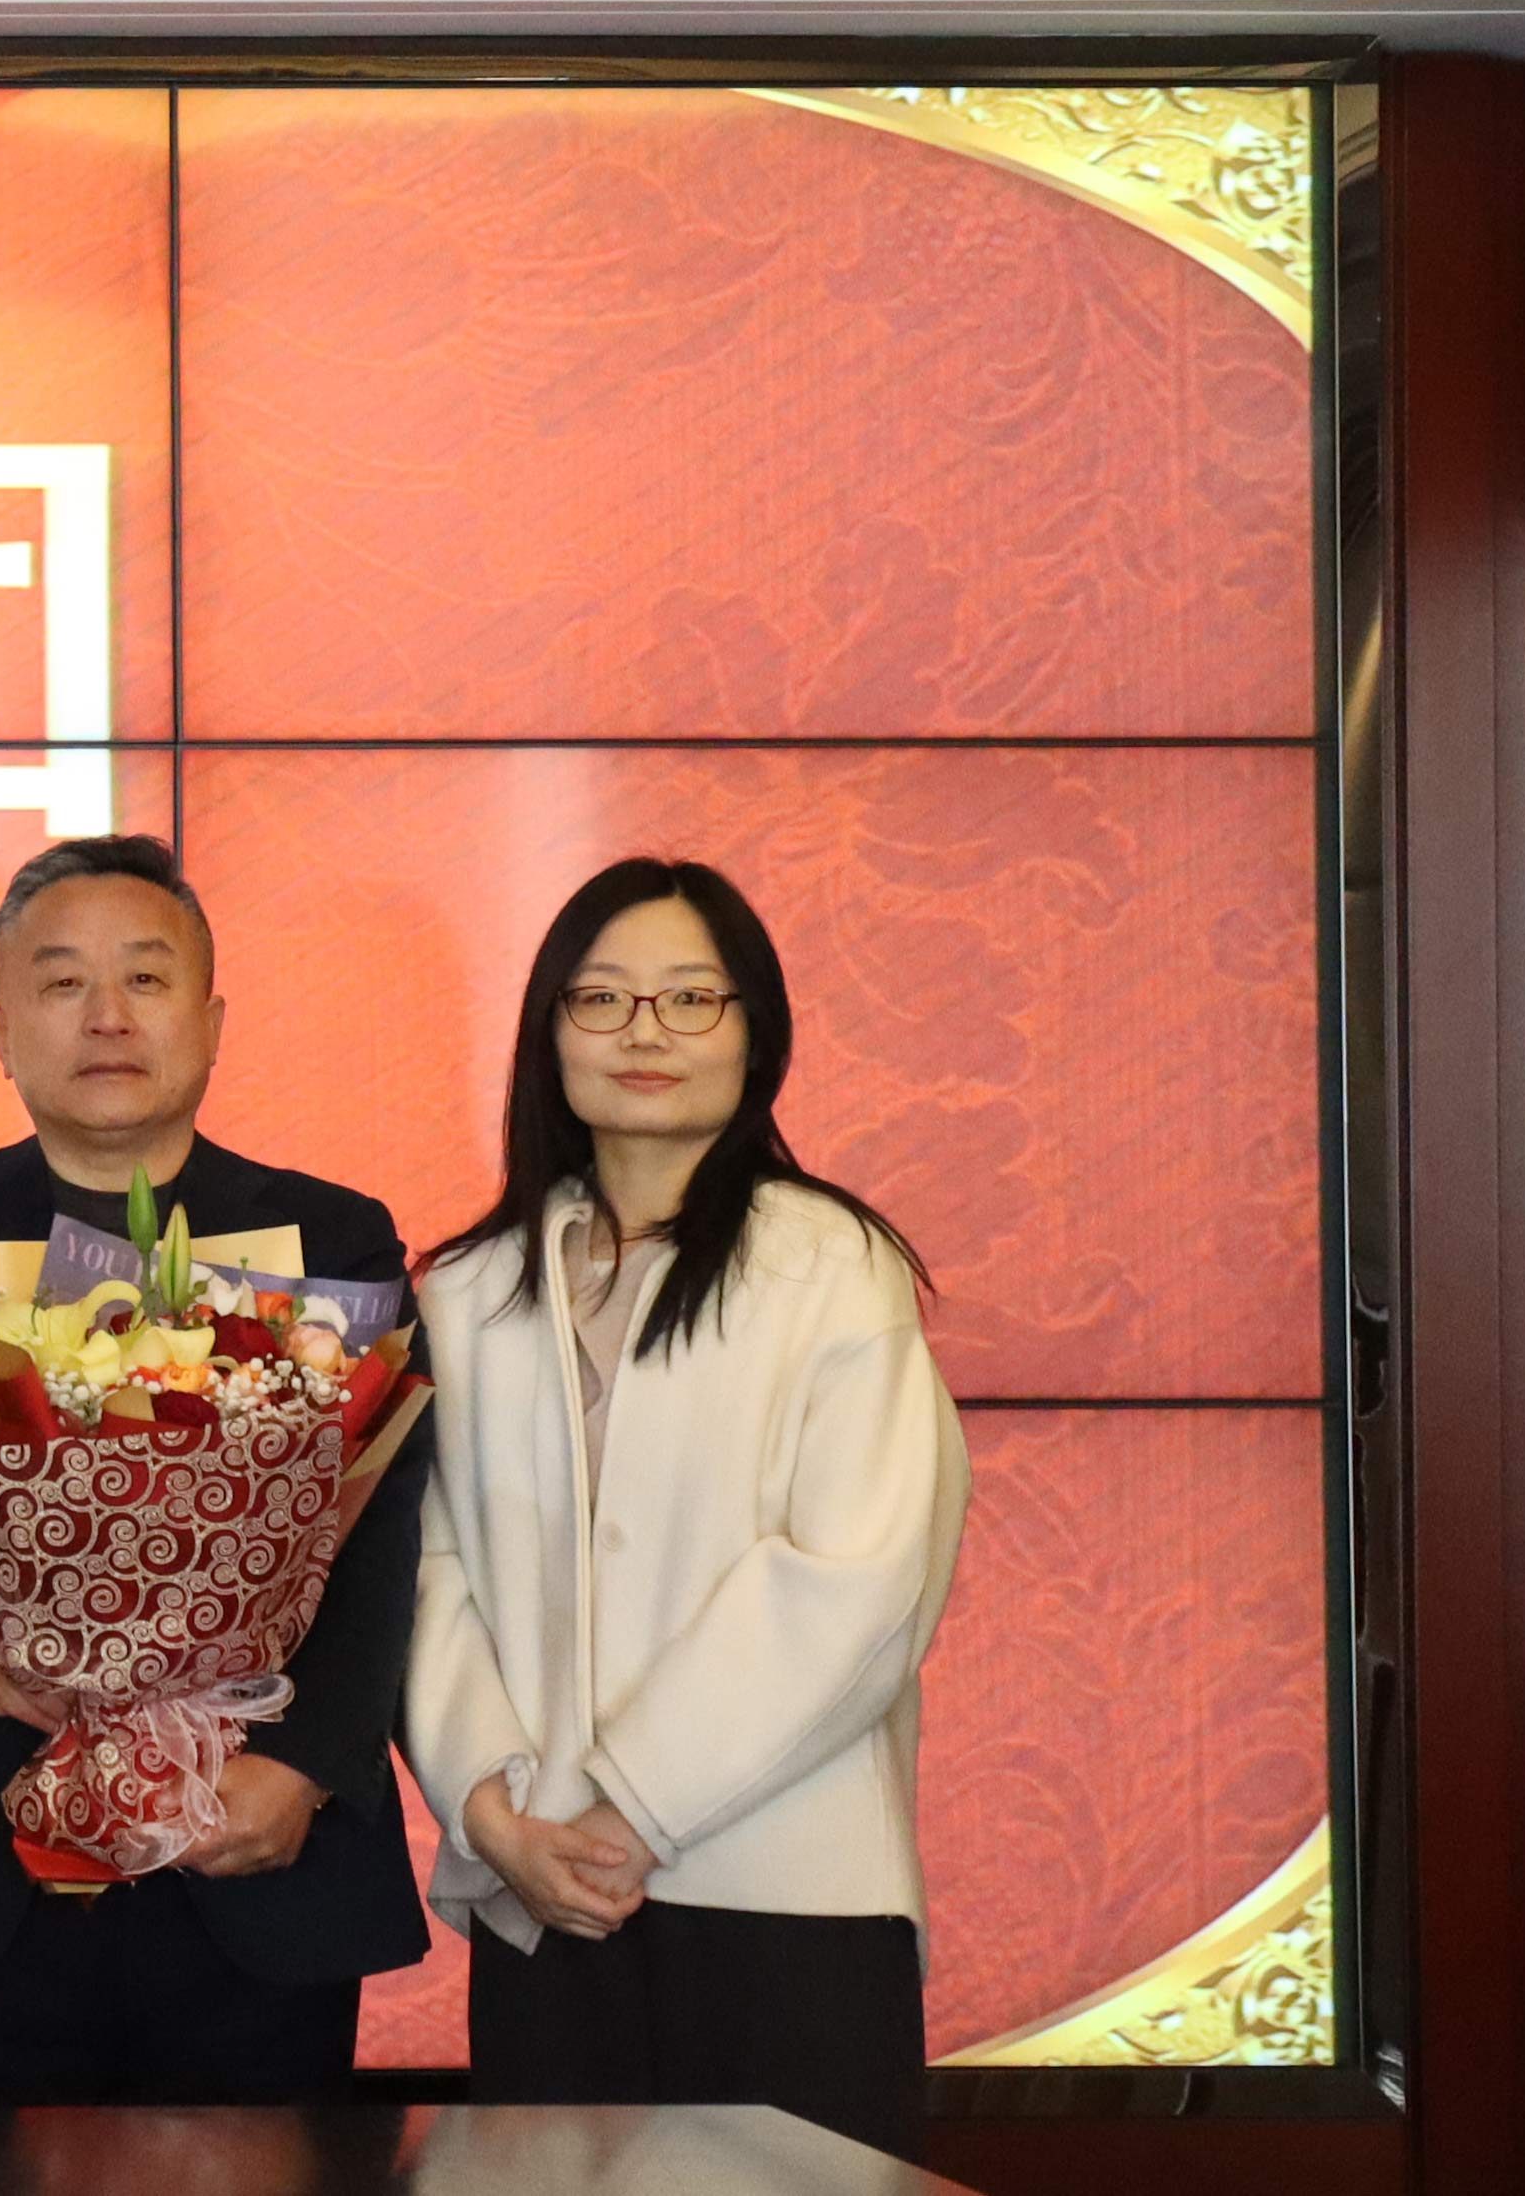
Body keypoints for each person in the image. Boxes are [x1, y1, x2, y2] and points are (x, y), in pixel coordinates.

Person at [0, 832, 434, 2104]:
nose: (106, 1016)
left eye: (145, 978)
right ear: (0, 1034)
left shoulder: (331, 1233)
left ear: (211, 1021)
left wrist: (308, 1763)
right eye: (61, 982)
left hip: (258, 1840)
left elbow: (384, 1523)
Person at [409, 857, 966, 2159]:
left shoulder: (832, 1264)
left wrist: (634, 1808)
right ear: (548, 1031)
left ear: (754, 1031)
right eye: (600, 998)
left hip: (787, 1895)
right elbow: (429, 1575)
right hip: (544, 1893)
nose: (643, 1032)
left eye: (689, 998)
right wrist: (490, 1811)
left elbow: (857, 1577)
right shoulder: (466, 1290)